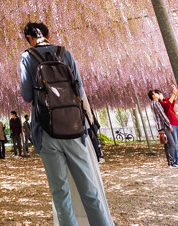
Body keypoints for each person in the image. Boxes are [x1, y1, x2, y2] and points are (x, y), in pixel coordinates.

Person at [21, 21, 114, 226]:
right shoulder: (66, 54)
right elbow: (79, 90)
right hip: (74, 130)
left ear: (28, 38)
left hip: (46, 133)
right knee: (90, 192)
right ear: (48, 35)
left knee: (61, 195)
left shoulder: (27, 57)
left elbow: (27, 95)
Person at [157, 85, 178, 167]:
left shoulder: (165, 100)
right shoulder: (161, 104)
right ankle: (177, 161)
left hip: (175, 123)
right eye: (159, 94)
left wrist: (175, 92)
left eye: (160, 93)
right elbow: (168, 103)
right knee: (174, 144)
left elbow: (173, 100)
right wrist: (174, 93)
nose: (161, 94)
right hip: (171, 125)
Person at [149, 89, 178, 168]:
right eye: (155, 94)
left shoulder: (153, 103)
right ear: (153, 96)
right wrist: (169, 125)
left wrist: (174, 95)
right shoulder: (156, 103)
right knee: (172, 144)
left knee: (167, 145)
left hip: (160, 127)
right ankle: (172, 162)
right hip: (164, 127)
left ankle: (170, 162)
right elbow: (162, 115)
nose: (157, 94)